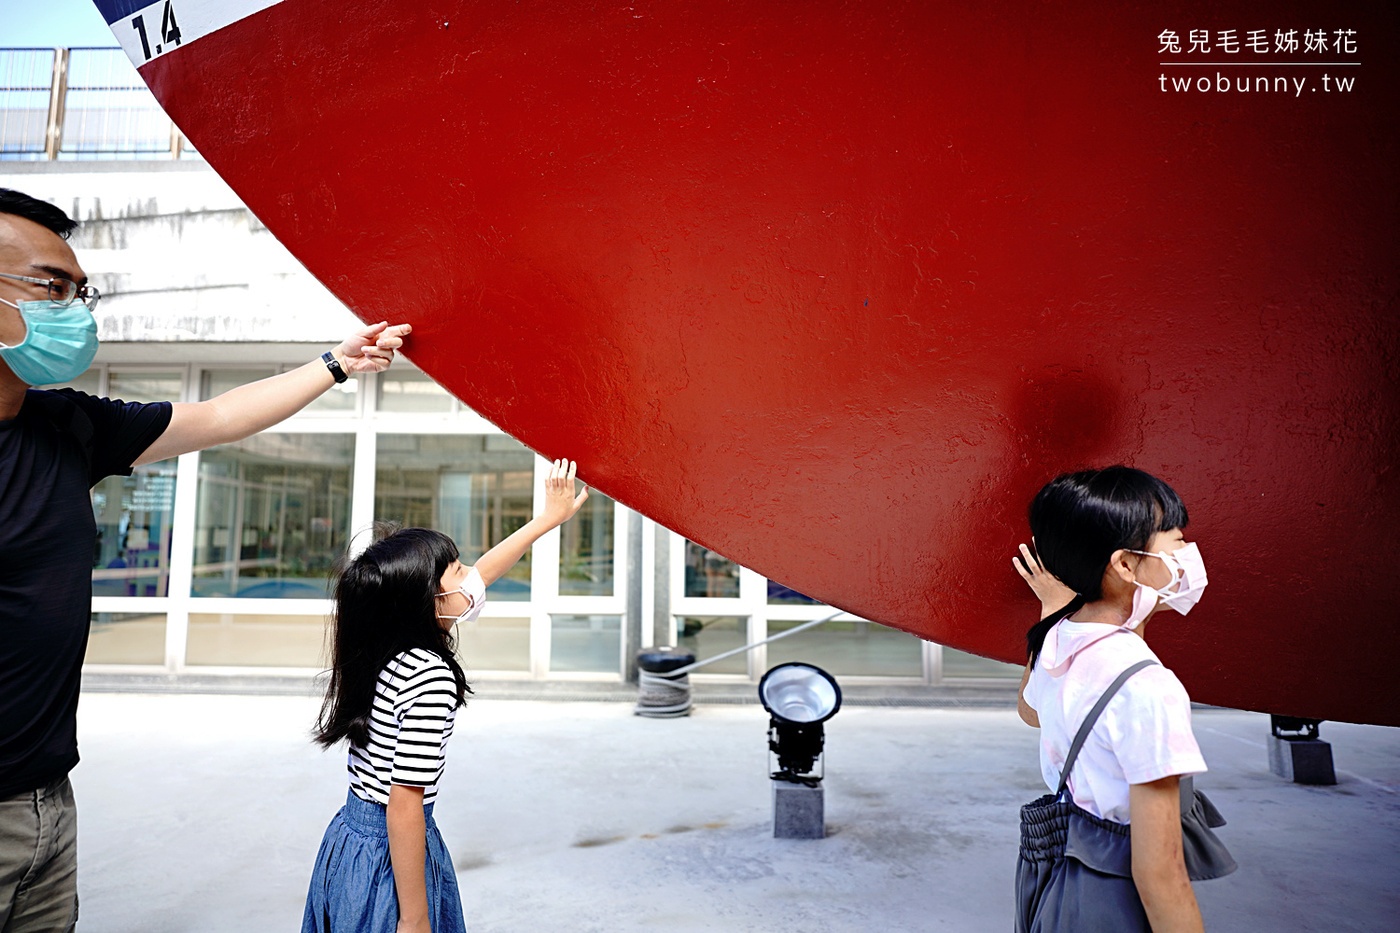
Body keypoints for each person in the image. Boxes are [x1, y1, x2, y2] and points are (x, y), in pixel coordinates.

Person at [0, 187, 412, 932]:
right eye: (53, 288)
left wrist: (336, 363)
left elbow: (219, 415)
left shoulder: (67, 425)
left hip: (47, 798)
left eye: (82, 292)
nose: (77, 310)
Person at [303, 460, 589, 933]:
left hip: (348, 843)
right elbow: (404, 804)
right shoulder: (428, 676)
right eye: (457, 571)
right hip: (389, 859)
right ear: (430, 600)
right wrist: (414, 918)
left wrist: (547, 520)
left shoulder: (379, 646)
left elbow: (481, 575)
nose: (471, 578)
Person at [1012, 466, 1219, 933]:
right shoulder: (1146, 688)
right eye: (1177, 541)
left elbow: (1030, 710)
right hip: (1113, 899)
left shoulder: (1061, 636)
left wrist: (1051, 609)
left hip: (1060, 888)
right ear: (1126, 565)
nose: (1188, 554)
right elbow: (1159, 873)